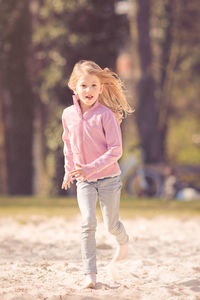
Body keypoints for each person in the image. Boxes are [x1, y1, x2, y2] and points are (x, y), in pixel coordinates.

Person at [61, 60, 133, 289]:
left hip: (109, 178)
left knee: (111, 225)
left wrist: (90, 167)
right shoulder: (68, 115)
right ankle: (90, 274)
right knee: (87, 223)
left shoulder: (106, 115)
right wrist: (67, 171)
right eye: (84, 85)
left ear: (101, 88)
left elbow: (116, 151)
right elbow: (67, 145)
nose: (89, 90)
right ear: (75, 87)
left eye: (94, 85)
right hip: (84, 181)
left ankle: (123, 240)